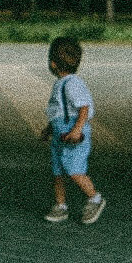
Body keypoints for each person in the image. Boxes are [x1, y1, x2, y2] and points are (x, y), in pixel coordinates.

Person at [39, 35, 105, 225]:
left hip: (73, 134)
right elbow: (59, 111)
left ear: (52, 63)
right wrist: (49, 129)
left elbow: (84, 107)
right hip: (60, 134)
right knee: (58, 171)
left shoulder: (72, 84)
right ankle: (60, 205)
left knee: (74, 169)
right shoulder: (62, 83)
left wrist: (77, 129)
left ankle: (95, 198)